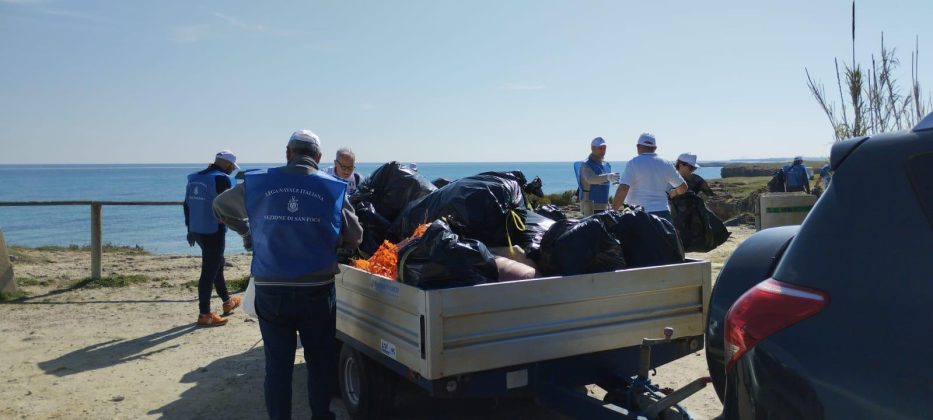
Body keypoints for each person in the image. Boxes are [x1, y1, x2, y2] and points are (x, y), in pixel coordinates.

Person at [213, 129, 363, 420]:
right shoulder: (333, 187)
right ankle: (320, 415)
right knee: (319, 362)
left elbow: (220, 206)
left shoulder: (258, 182)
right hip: (316, 289)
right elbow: (355, 235)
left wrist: (248, 234)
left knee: (277, 365)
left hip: (271, 287)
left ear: (287, 152)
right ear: (319, 158)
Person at [184, 150, 242, 327]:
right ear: (227, 164)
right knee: (208, 272)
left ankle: (227, 301)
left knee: (217, 264)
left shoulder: (194, 177)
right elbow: (228, 206)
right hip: (213, 231)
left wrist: (189, 228)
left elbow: (186, 204)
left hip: (196, 229)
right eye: (232, 166)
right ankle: (205, 314)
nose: (232, 170)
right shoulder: (221, 179)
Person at [611, 133, 687, 223]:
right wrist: (674, 193)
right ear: (655, 148)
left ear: (638, 146)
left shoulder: (633, 163)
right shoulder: (666, 164)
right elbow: (683, 188)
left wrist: (612, 212)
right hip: (663, 215)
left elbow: (623, 189)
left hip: (638, 215)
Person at [577, 137, 620, 216]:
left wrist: (608, 204)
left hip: (604, 206)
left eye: (604, 148)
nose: (603, 150)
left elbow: (605, 186)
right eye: (600, 148)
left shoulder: (606, 165)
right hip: (589, 206)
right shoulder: (586, 164)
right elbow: (590, 179)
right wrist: (607, 177)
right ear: (592, 148)